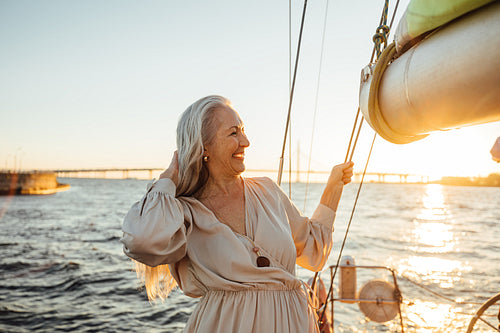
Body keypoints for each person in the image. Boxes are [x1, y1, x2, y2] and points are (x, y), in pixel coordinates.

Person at [121, 95, 354, 333]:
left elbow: (314, 250)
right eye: (234, 133)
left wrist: (333, 187)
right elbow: (142, 242)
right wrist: (167, 180)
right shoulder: (184, 213)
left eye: (243, 131)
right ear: (203, 146)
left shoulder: (267, 191)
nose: (246, 141)